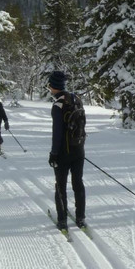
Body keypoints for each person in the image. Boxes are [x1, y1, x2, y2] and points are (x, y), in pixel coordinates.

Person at [47, 71, 85, 230]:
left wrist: (53, 154)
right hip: (79, 149)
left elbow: (57, 133)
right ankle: (80, 217)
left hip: (63, 153)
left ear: (53, 86)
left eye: (49, 85)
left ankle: (62, 220)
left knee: (60, 185)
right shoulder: (76, 99)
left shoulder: (58, 105)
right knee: (78, 183)